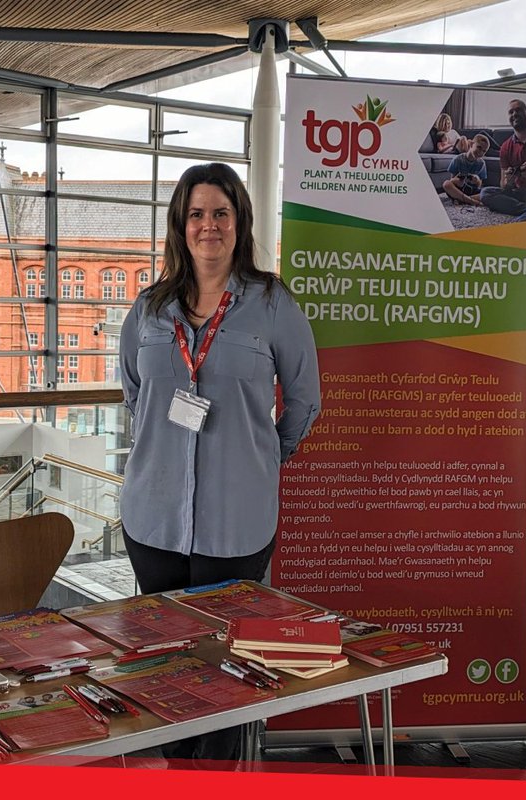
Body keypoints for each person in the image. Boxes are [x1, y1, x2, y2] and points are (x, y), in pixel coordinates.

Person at [119, 163, 321, 764]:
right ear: (180, 226)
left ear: (240, 223)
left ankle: (215, 773)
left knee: (227, 659)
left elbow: (304, 397)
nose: (209, 225)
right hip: (152, 519)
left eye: (221, 213)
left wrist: (265, 456)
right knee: (165, 657)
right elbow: (134, 393)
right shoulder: (150, 309)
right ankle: (175, 768)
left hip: (239, 518)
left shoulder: (271, 303)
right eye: (197, 213)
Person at [479, 98, 526, 221]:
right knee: (486, 193)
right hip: (521, 193)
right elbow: (503, 184)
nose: (514, 114)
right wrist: (508, 181)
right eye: (511, 112)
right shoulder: (505, 147)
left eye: (518, 110)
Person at [442, 133, 491, 206]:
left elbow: (479, 185)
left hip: (472, 190)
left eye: (484, 151)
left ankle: (463, 200)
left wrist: (477, 180)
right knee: (446, 184)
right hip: (459, 190)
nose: (480, 152)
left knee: (488, 192)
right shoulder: (457, 159)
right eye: (479, 147)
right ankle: (472, 201)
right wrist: (457, 181)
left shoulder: (481, 163)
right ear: (471, 144)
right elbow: (452, 180)